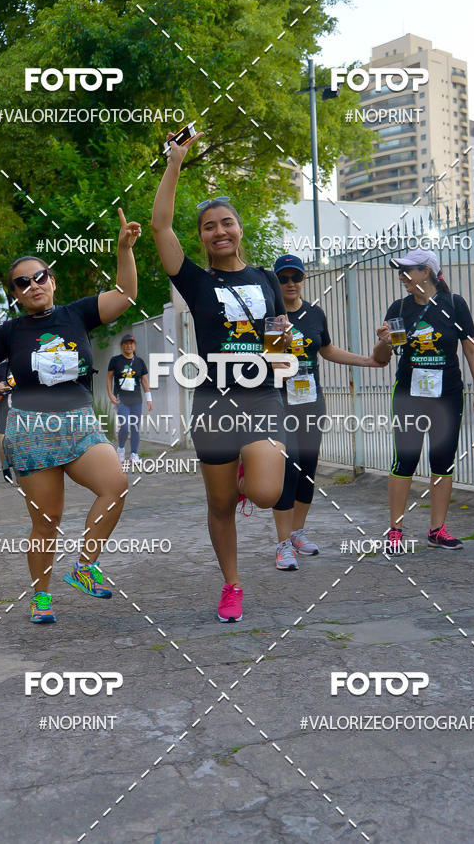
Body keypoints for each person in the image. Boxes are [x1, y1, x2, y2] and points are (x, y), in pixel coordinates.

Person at [0, 209, 139, 623]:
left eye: (40, 277)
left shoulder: (77, 314)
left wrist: (124, 250)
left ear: (52, 282)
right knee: (48, 521)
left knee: (116, 485)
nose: (33, 285)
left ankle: (83, 566)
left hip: (79, 423)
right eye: (22, 283)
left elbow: (125, 294)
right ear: (16, 295)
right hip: (31, 429)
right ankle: (40, 596)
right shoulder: (9, 332)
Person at [151, 130, 293, 624]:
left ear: (239, 228)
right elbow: (160, 226)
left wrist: (283, 354)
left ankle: (246, 471)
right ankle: (231, 585)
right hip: (213, 403)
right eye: (209, 226)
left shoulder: (266, 278)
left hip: (262, 400)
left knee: (266, 493)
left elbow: (278, 334)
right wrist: (175, 161)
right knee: (220, 505)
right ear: (202, 237)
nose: (219, 231)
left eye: (226, 222)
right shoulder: (194, 280)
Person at [271, 254, 385, 569]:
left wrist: (367, 361)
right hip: (279, 402)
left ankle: (297, 533)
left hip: (311, 402)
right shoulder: (271, 316)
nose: (291, 284)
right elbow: (266, 359)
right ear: (277, 283)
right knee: (288, 465)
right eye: (284, 279)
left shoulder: (315, 313)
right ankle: (282, 545)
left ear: (303, 279)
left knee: (308, 467)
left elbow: (327, 349)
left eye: (296, 278)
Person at [373, 248, 474, 551]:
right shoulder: (399, 308)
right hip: (409, 393)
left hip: (447, 393)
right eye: (400, 271)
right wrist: (384, 342)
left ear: (427, 272)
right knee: (405, 460)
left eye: (407, 271)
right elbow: (384, 356)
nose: (401, 277)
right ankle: (395, 530)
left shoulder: (454, 304)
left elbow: (472, 349)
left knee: (443, 461)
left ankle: (437, 530)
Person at [107, 334, 152, 467]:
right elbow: (109, 378)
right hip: (121, 399)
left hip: (137, 400)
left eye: (131, 343)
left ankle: (134, 454)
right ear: (122, 346)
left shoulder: (139, 362)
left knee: (135, 428)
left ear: (135, 346)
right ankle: (120, 449)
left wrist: (149, 399)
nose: (129, 346)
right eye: (126, 343)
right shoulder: (115, 360)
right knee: (125, 426)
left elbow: (144, 381)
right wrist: (110, 394)